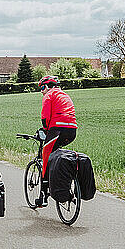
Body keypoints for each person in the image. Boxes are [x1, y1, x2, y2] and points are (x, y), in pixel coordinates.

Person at [38, 75, 78, 206]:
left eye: (42, 87)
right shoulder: (65, 95)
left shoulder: (48, 96)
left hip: (57, 130)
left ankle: (43, 195)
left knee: (45, 157)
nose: (41, 91)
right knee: (56, 155)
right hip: (72, 131)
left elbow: (45, 117)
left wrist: (45, 129)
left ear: (48, 86)